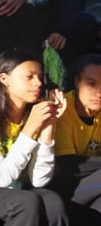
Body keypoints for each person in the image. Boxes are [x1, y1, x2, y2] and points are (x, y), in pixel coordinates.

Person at [0, 49, 67, 226]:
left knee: (53, 202)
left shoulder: (34, 112)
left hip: (16, 186)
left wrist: (49, 125)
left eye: (40, 76)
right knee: (25, 202)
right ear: (4, 79)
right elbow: (2, 178)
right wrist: (30, 129)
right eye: (29, 77)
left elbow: (40, 180)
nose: (38, 83)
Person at [51, 54, 101, 213]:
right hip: (65, 187)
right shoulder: (62, 108)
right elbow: (68, 165)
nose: (99, 93)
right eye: (91, 84)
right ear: (76, 82)